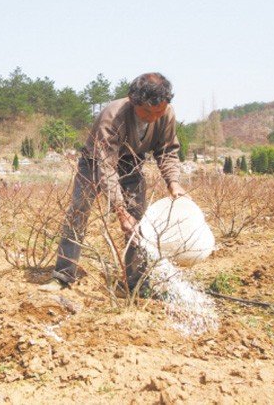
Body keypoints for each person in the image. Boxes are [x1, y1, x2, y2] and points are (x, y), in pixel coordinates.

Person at [40, 72, 186, 294]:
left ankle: (135, 283)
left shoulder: (166, 114)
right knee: (79, 211)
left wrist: (173, 182)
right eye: (146, 111)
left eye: (158, 111)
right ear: (132, 100)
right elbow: (105, 166)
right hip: (94, 162)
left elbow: (166, 150)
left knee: (138, 220)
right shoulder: (113, 115)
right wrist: (119, 209)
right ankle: (63, 275)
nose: (153, 117)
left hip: (132, 163)